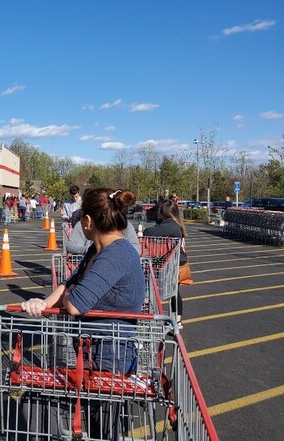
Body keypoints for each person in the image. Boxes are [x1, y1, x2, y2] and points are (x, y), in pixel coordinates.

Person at [21, 188, 145, 439]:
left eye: (81, 219)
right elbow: (70, 283)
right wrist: (43, 303)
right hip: (92, 348)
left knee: (103, 420)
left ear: (88, 221)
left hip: (111, 353)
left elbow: (76, 303)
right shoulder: (97, 251)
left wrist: (72, 292)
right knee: (48, 401)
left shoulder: (116, 254)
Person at [143, 198, 188, 328]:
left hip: (173, 263)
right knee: (174, 291)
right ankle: (177, 320)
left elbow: (150, 232)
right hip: (175, 261)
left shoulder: (170, 225)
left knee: (172, 291)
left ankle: (177, 320)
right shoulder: (176, 223)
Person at [67, 218, 141, 255]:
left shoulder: (125, 225)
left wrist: (111, 251)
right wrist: (90, 250)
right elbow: (71, 245)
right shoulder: (83, 224)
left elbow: (136, 248)